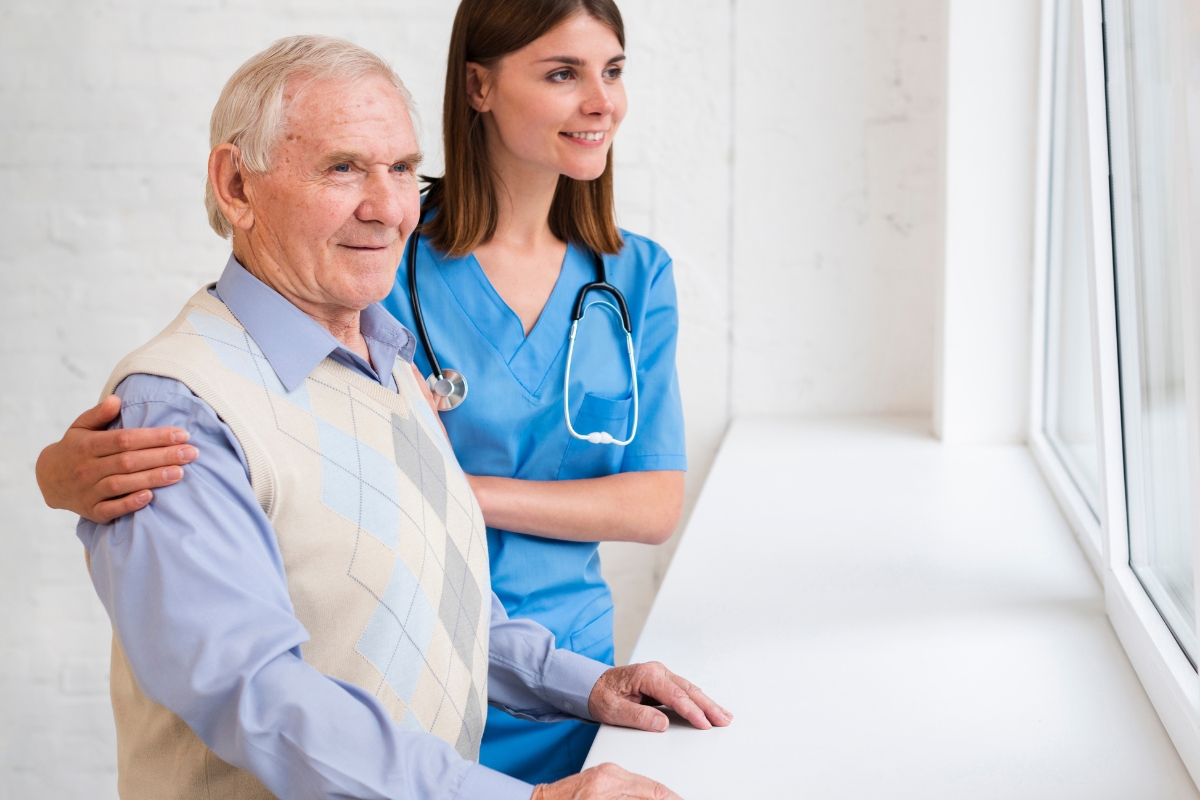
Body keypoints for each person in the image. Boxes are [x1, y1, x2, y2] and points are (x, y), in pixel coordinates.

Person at [37, 0, 690, 784]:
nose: (386, 208)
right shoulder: (178, 415)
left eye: (403, 169)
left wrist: (584, 683)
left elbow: (428, 594)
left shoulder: (387, 364)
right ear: (236, 185)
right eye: (342, 167)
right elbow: (254, 696)